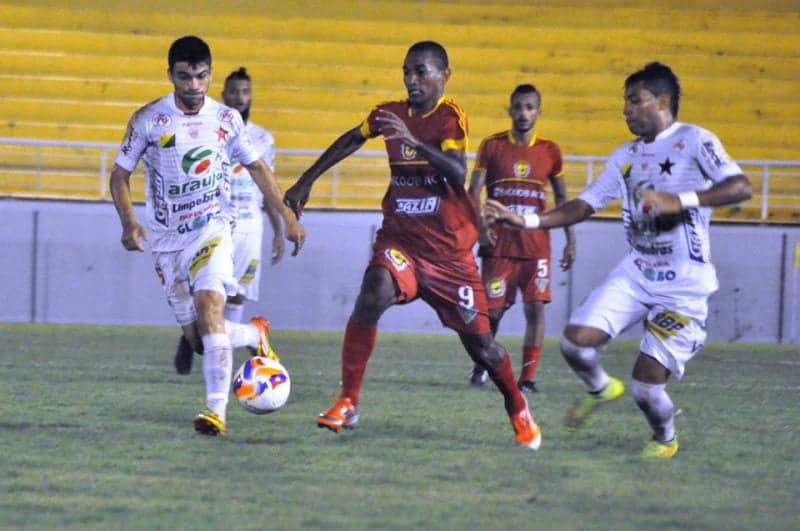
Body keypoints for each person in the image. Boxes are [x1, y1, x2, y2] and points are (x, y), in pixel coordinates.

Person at [484, 62, 752, 458]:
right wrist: (521, 219)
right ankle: (601, 388)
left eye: (634, 101)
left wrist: (681, 200)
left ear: (662, 101)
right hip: (637, 271)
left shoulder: (694, 140)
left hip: (684, 285)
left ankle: (665, 439)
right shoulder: (624, 155)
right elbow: (582, 205)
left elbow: (741, 186)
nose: (625, 110)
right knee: (574, 344)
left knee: (646, 387)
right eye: (624, 102)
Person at [284, 41, 542, 450]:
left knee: (483, 350)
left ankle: (516, 404)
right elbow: (352, 138)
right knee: (373, 292)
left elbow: (458, 170)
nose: (412, 80)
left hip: (449, 254)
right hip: (401, 240)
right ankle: (348, 400)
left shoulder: (449, 117)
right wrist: (307, 179)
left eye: (422, 72)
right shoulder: (390, 113)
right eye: (407, 72)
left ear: (444, 76)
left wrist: (415, 143)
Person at [109, 35, 305, 437]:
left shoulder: (227, 120)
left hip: (212, 229)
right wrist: (129, 222)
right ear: (170, 75)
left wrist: (286, 217)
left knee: (210, 307)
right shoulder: (148, 119)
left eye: (201, 76)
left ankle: (216, 413)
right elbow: (120, 176)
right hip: (166, 241)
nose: (194, 85)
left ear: (210, 74)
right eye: (184, 77)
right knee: (200, 340)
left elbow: (258, 169)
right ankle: (253, 333)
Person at [173, 66, 284, 373]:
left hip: (250, 223)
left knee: (237, 296)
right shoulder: (208, 128)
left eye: (245, 92)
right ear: (223, 94)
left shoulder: (263, 138)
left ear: (251, 96)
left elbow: (267, 183)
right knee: (206, 288)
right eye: (234, 91)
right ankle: (195, 338)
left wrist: (278, 230)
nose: (239, 97)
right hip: (215, 221)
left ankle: (222, 362)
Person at [467, 84, 576, 393]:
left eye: (530, 107)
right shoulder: (492, 146)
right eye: (518, 107)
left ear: (538, 112)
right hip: (498, 245)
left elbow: (564, 199)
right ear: (510, 110)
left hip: (536, 247)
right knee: (493, 311)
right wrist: (480, 230)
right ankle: (482, 361)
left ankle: (527, 378)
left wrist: (571, 239)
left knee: (536, 308)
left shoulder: (550, 151)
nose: (524, 113)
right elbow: (473, 191)